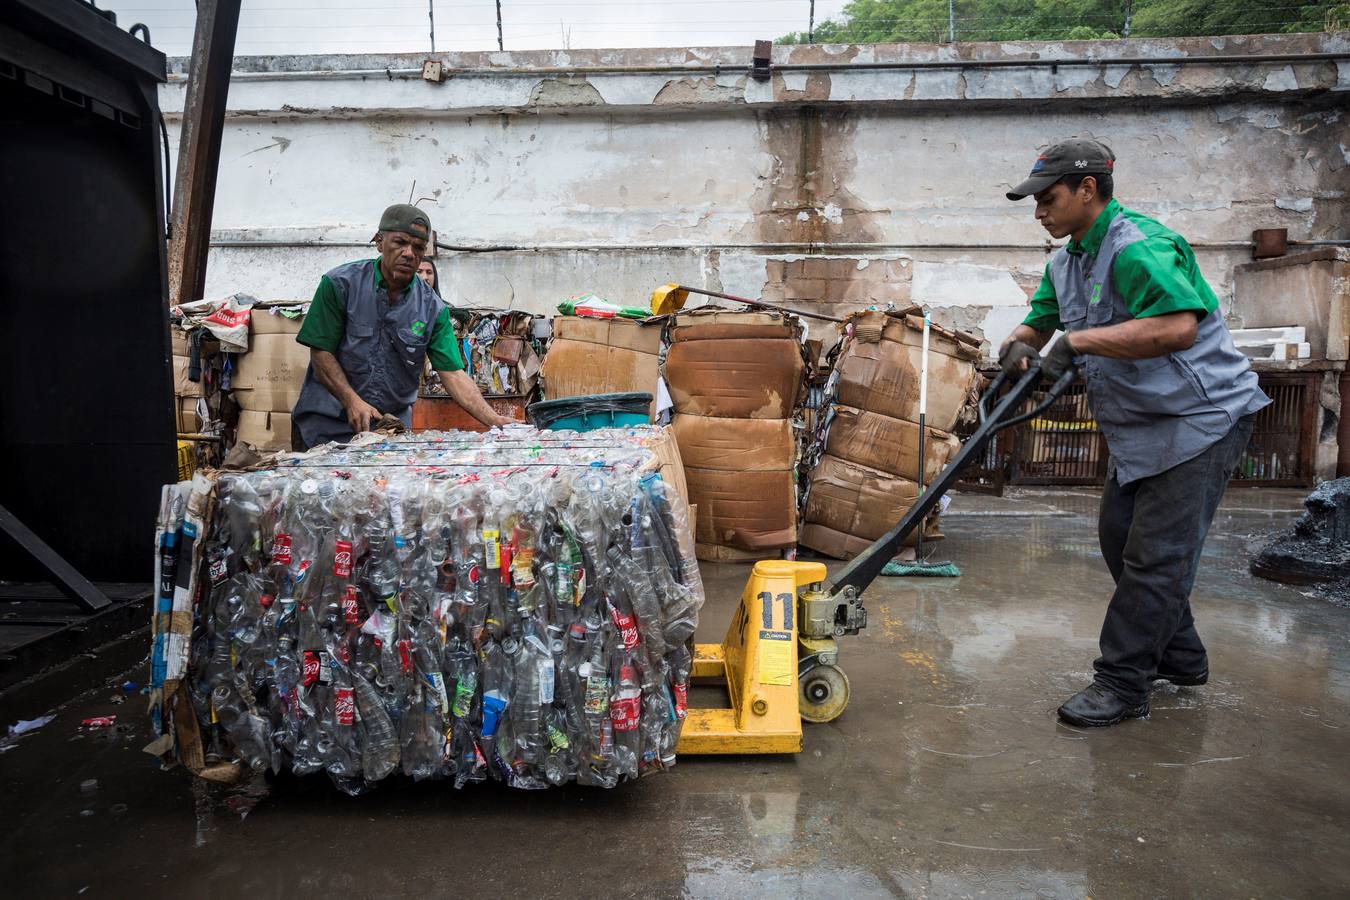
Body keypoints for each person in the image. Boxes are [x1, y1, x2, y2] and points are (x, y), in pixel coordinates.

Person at [999, 139, 1269, 728]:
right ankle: (1182, 654)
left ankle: (1123, 683)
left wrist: (1077, 343)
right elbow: (1041, 317)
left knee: (1156, 558)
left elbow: (1175, 327)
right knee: (1120, 539)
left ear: (1087, 189)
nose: (1039, 211)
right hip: (1142, 425)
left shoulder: (1138, 247)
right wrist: (1018, 343)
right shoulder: (1067, 262)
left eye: (1048, 199)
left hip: (1201, 418)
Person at [291, 203, 511, 450]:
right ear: (379, 242)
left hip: (388, 432)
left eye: (418, 247)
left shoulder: (433, 309)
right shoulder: (339, 285)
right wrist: (351, 400)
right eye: (400, 243)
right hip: (325, 426)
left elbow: (453, 373)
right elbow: (321, 352)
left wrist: (494, 420)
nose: (409, 253)